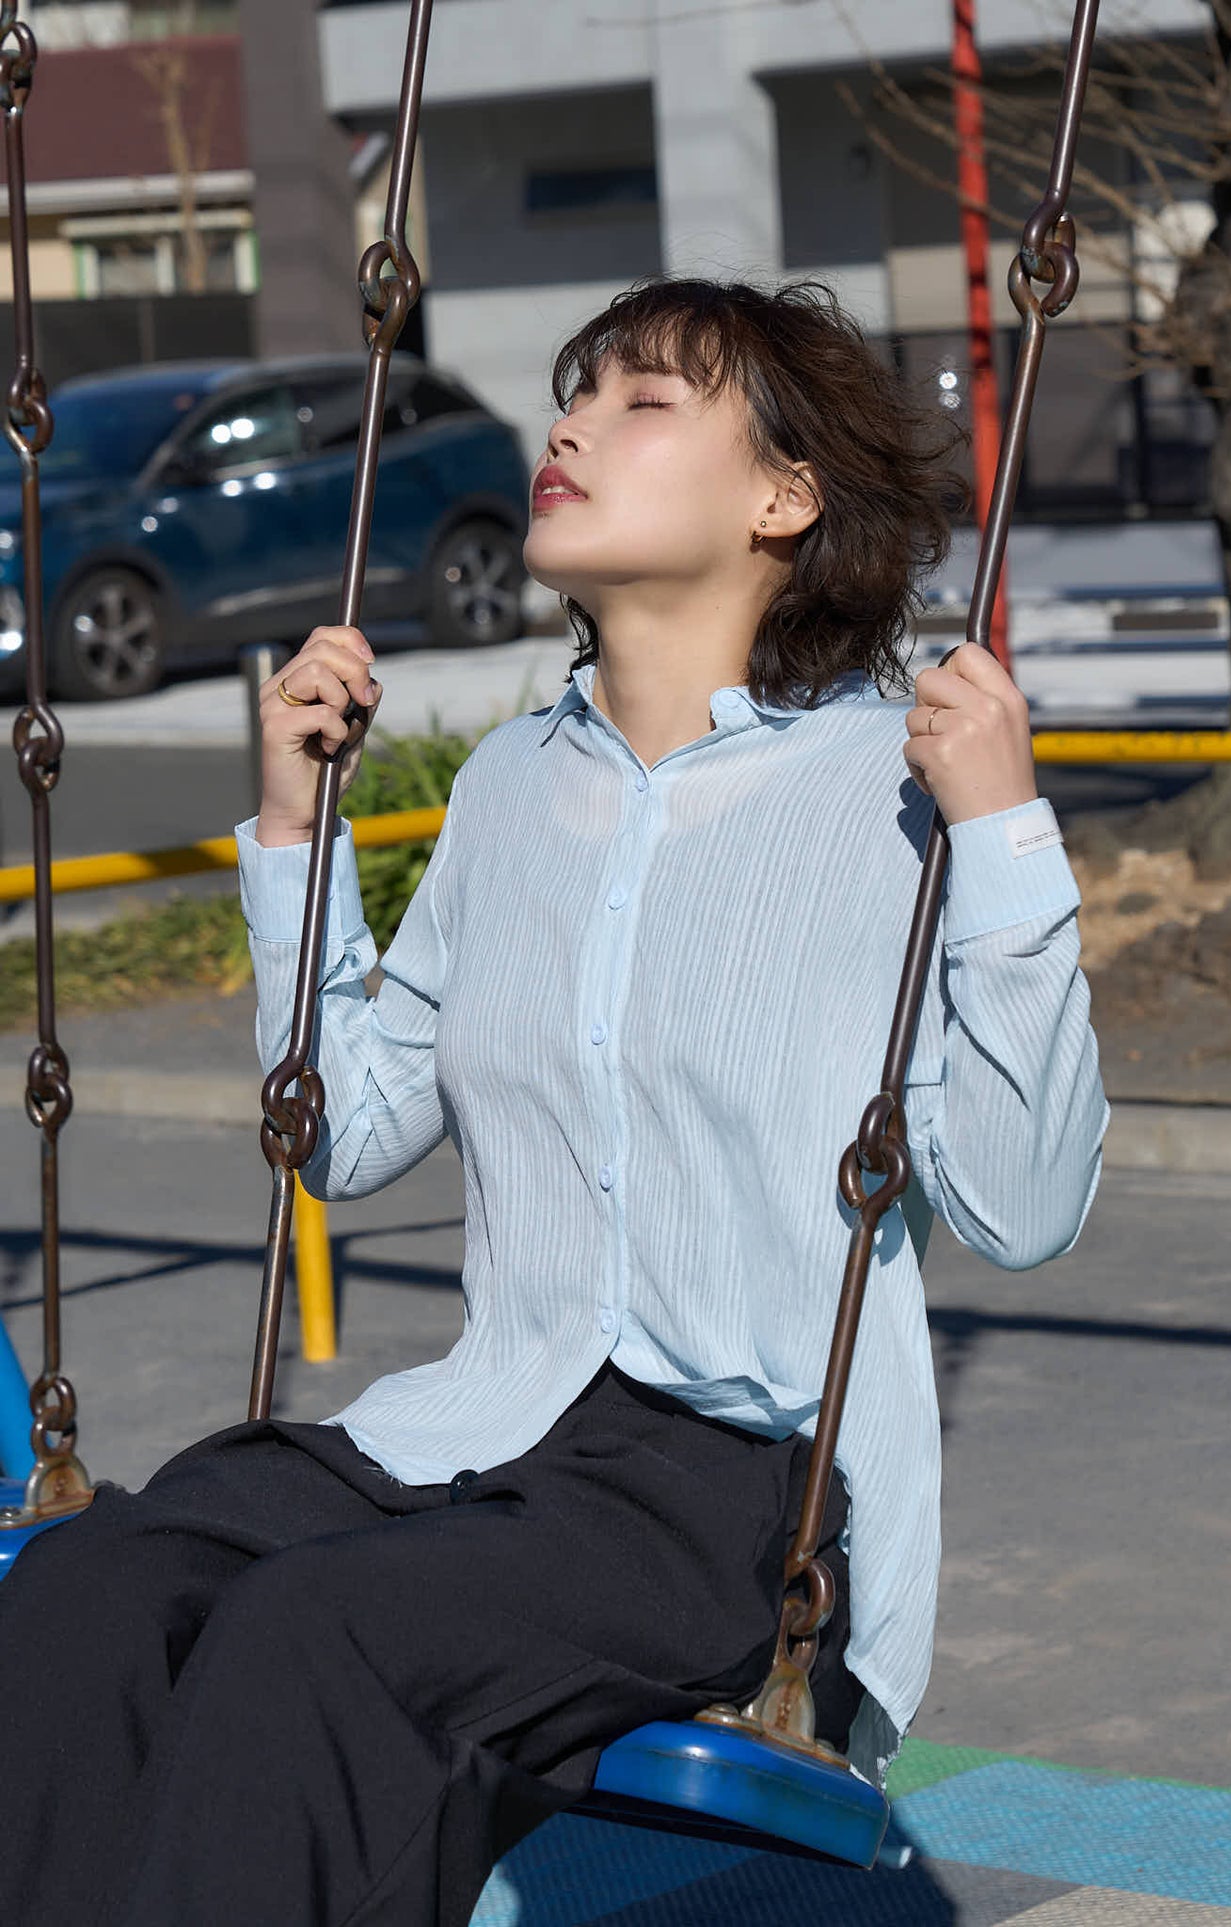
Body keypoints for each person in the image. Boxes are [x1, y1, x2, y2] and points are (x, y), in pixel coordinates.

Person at [0, 278, 1107, 1926]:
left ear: (780, 498)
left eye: (642, 402)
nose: (569, 426)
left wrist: (1009, 841)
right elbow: (352, 1133)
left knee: (321, 1640)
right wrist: (294, 838)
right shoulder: (512, 785)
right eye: (575, 396)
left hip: (732, 1476)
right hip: (478, 1424)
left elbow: (1024, 1210)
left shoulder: (904, 789)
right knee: (86, 1585)